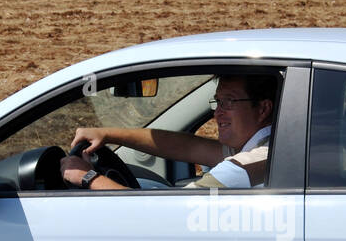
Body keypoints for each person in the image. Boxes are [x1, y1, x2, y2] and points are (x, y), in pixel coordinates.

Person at [60, 75, 276, 189]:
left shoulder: (244, 167)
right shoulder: (266, 148)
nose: (217, 113)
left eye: (229, 102)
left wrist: (88, 177)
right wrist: (108, 134)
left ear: (264, 108)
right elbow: (187, 146)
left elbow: (166, 215)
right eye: (217, 102)